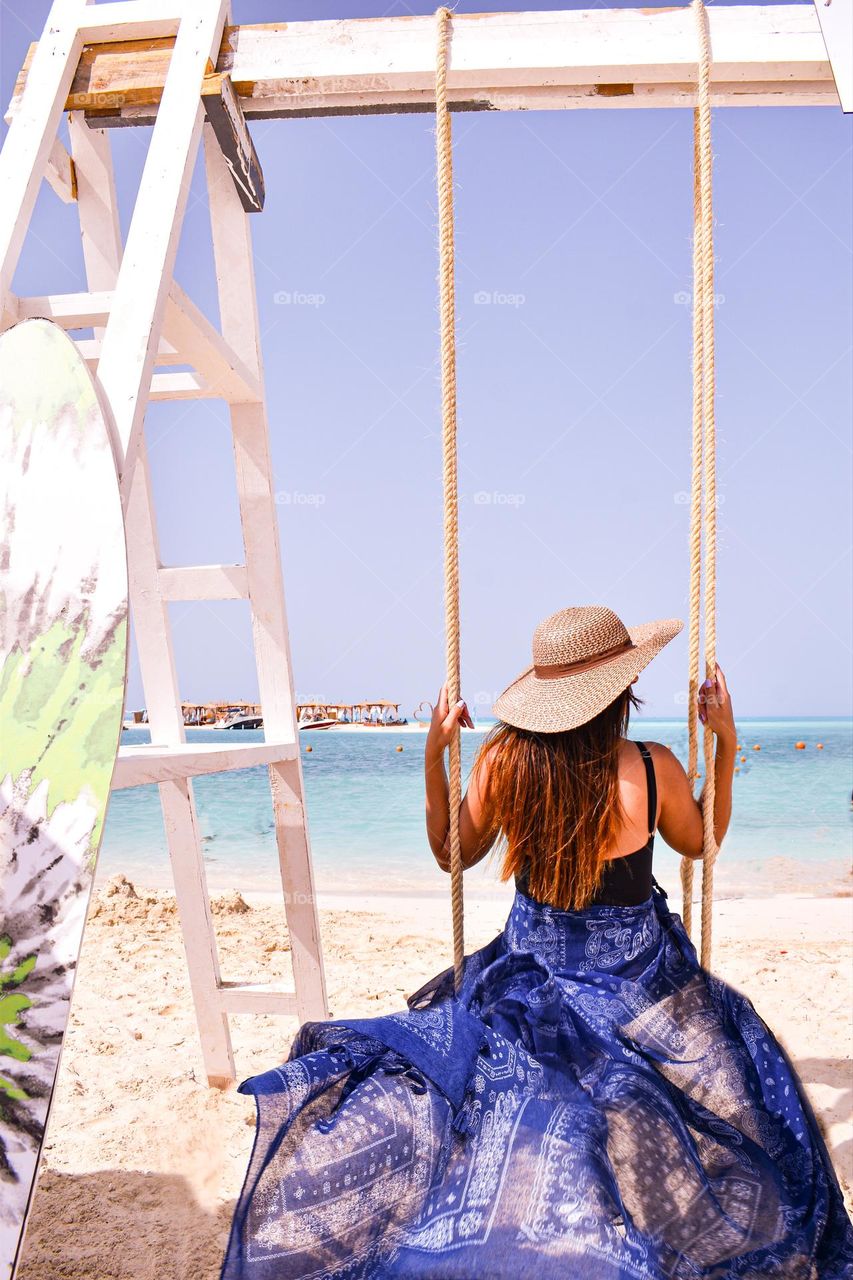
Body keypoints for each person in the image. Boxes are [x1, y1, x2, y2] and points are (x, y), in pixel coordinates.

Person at [221, 606, 853, 1279]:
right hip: (637, 981)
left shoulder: (503, 763)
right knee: (737, 1078)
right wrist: (724, 744)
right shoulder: (649, 765)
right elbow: (702, 843)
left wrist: (436, 757)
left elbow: (449, 854)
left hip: (526, 976)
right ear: (620, 693)